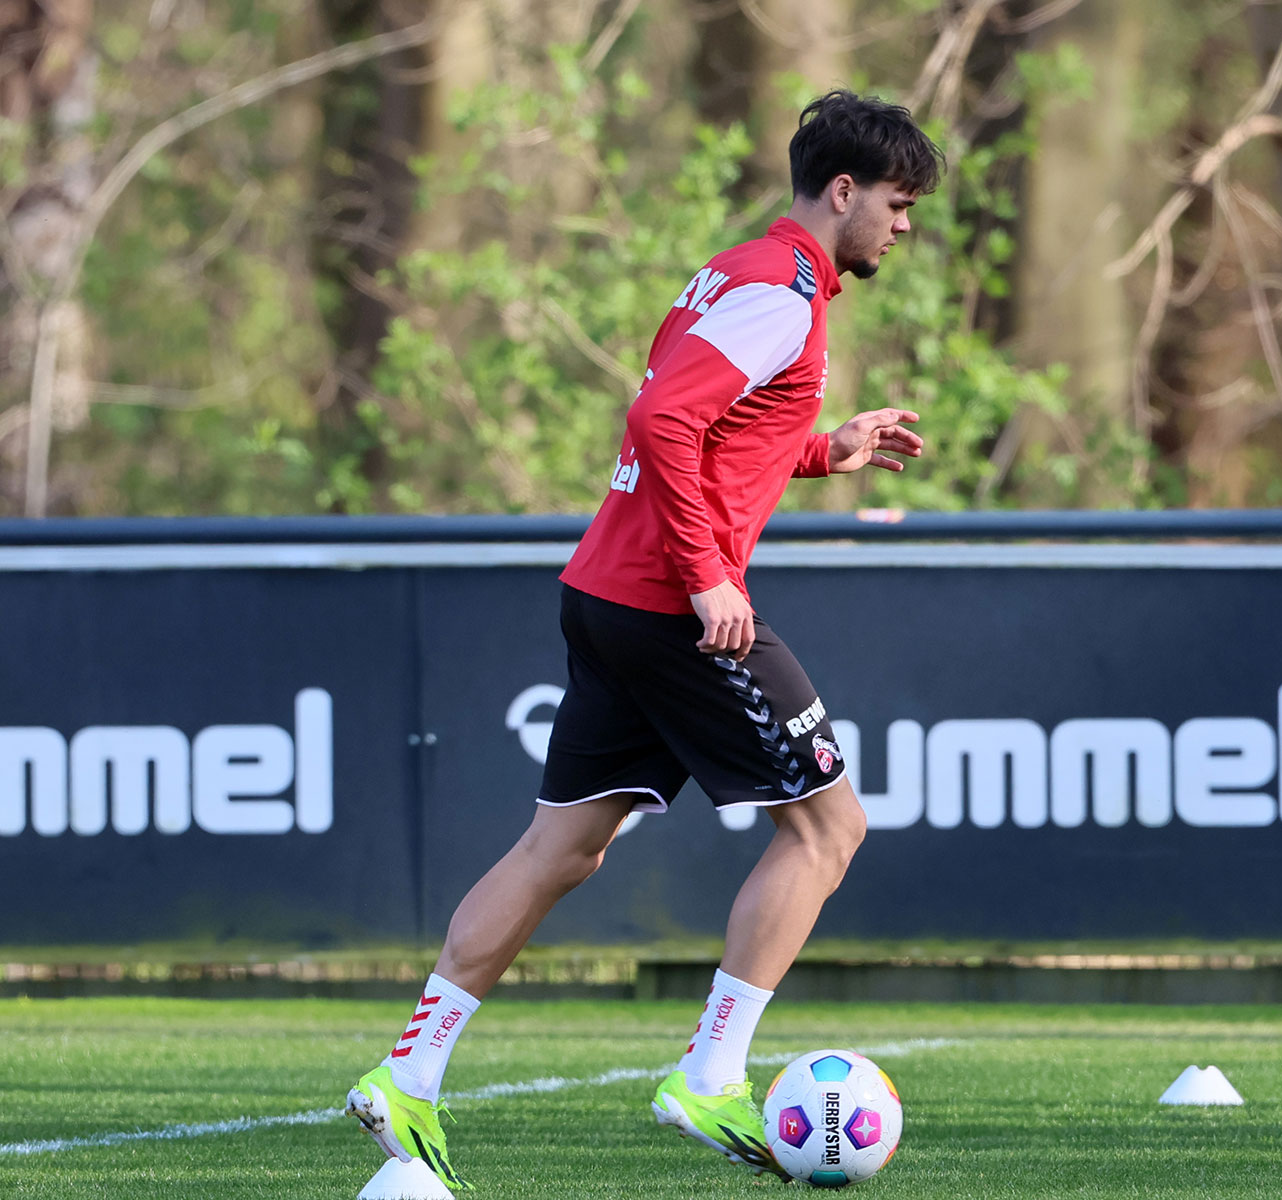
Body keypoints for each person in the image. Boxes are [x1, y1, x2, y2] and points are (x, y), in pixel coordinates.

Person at [345, 89, 944, 1190]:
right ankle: (708, 1073)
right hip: (676, 607)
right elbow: (659, 421)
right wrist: (712, 576)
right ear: (845, 191)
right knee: (827, 831)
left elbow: (708, 423)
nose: (902, 229)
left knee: (559, 850)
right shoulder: (781, 295)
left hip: (608, 593)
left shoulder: (737, 271)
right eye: (898, 206)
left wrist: (824, 450)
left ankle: (407, 1075)